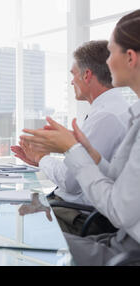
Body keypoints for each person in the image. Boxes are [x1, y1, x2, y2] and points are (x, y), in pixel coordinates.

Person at [20, 9, 140, 266]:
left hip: (124, 248)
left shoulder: (110, 115)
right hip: (118, 239)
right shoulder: (130, 115)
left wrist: (71, 150)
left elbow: (119, 209)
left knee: (18, 237)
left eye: (112, 52)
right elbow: (119, 182)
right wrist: (87, 152)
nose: (108, 62)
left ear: (130, 57)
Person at [11, 40, 130, 235]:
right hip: (68, 208)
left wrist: (42, 158)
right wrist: (43, 159)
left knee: (13, 225)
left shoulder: (107, 116)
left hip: (77, 217)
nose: (72, 81)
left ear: (87, 74)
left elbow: (71, 183)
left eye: (73, 74)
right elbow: (86, 169)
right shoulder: (108, 110)